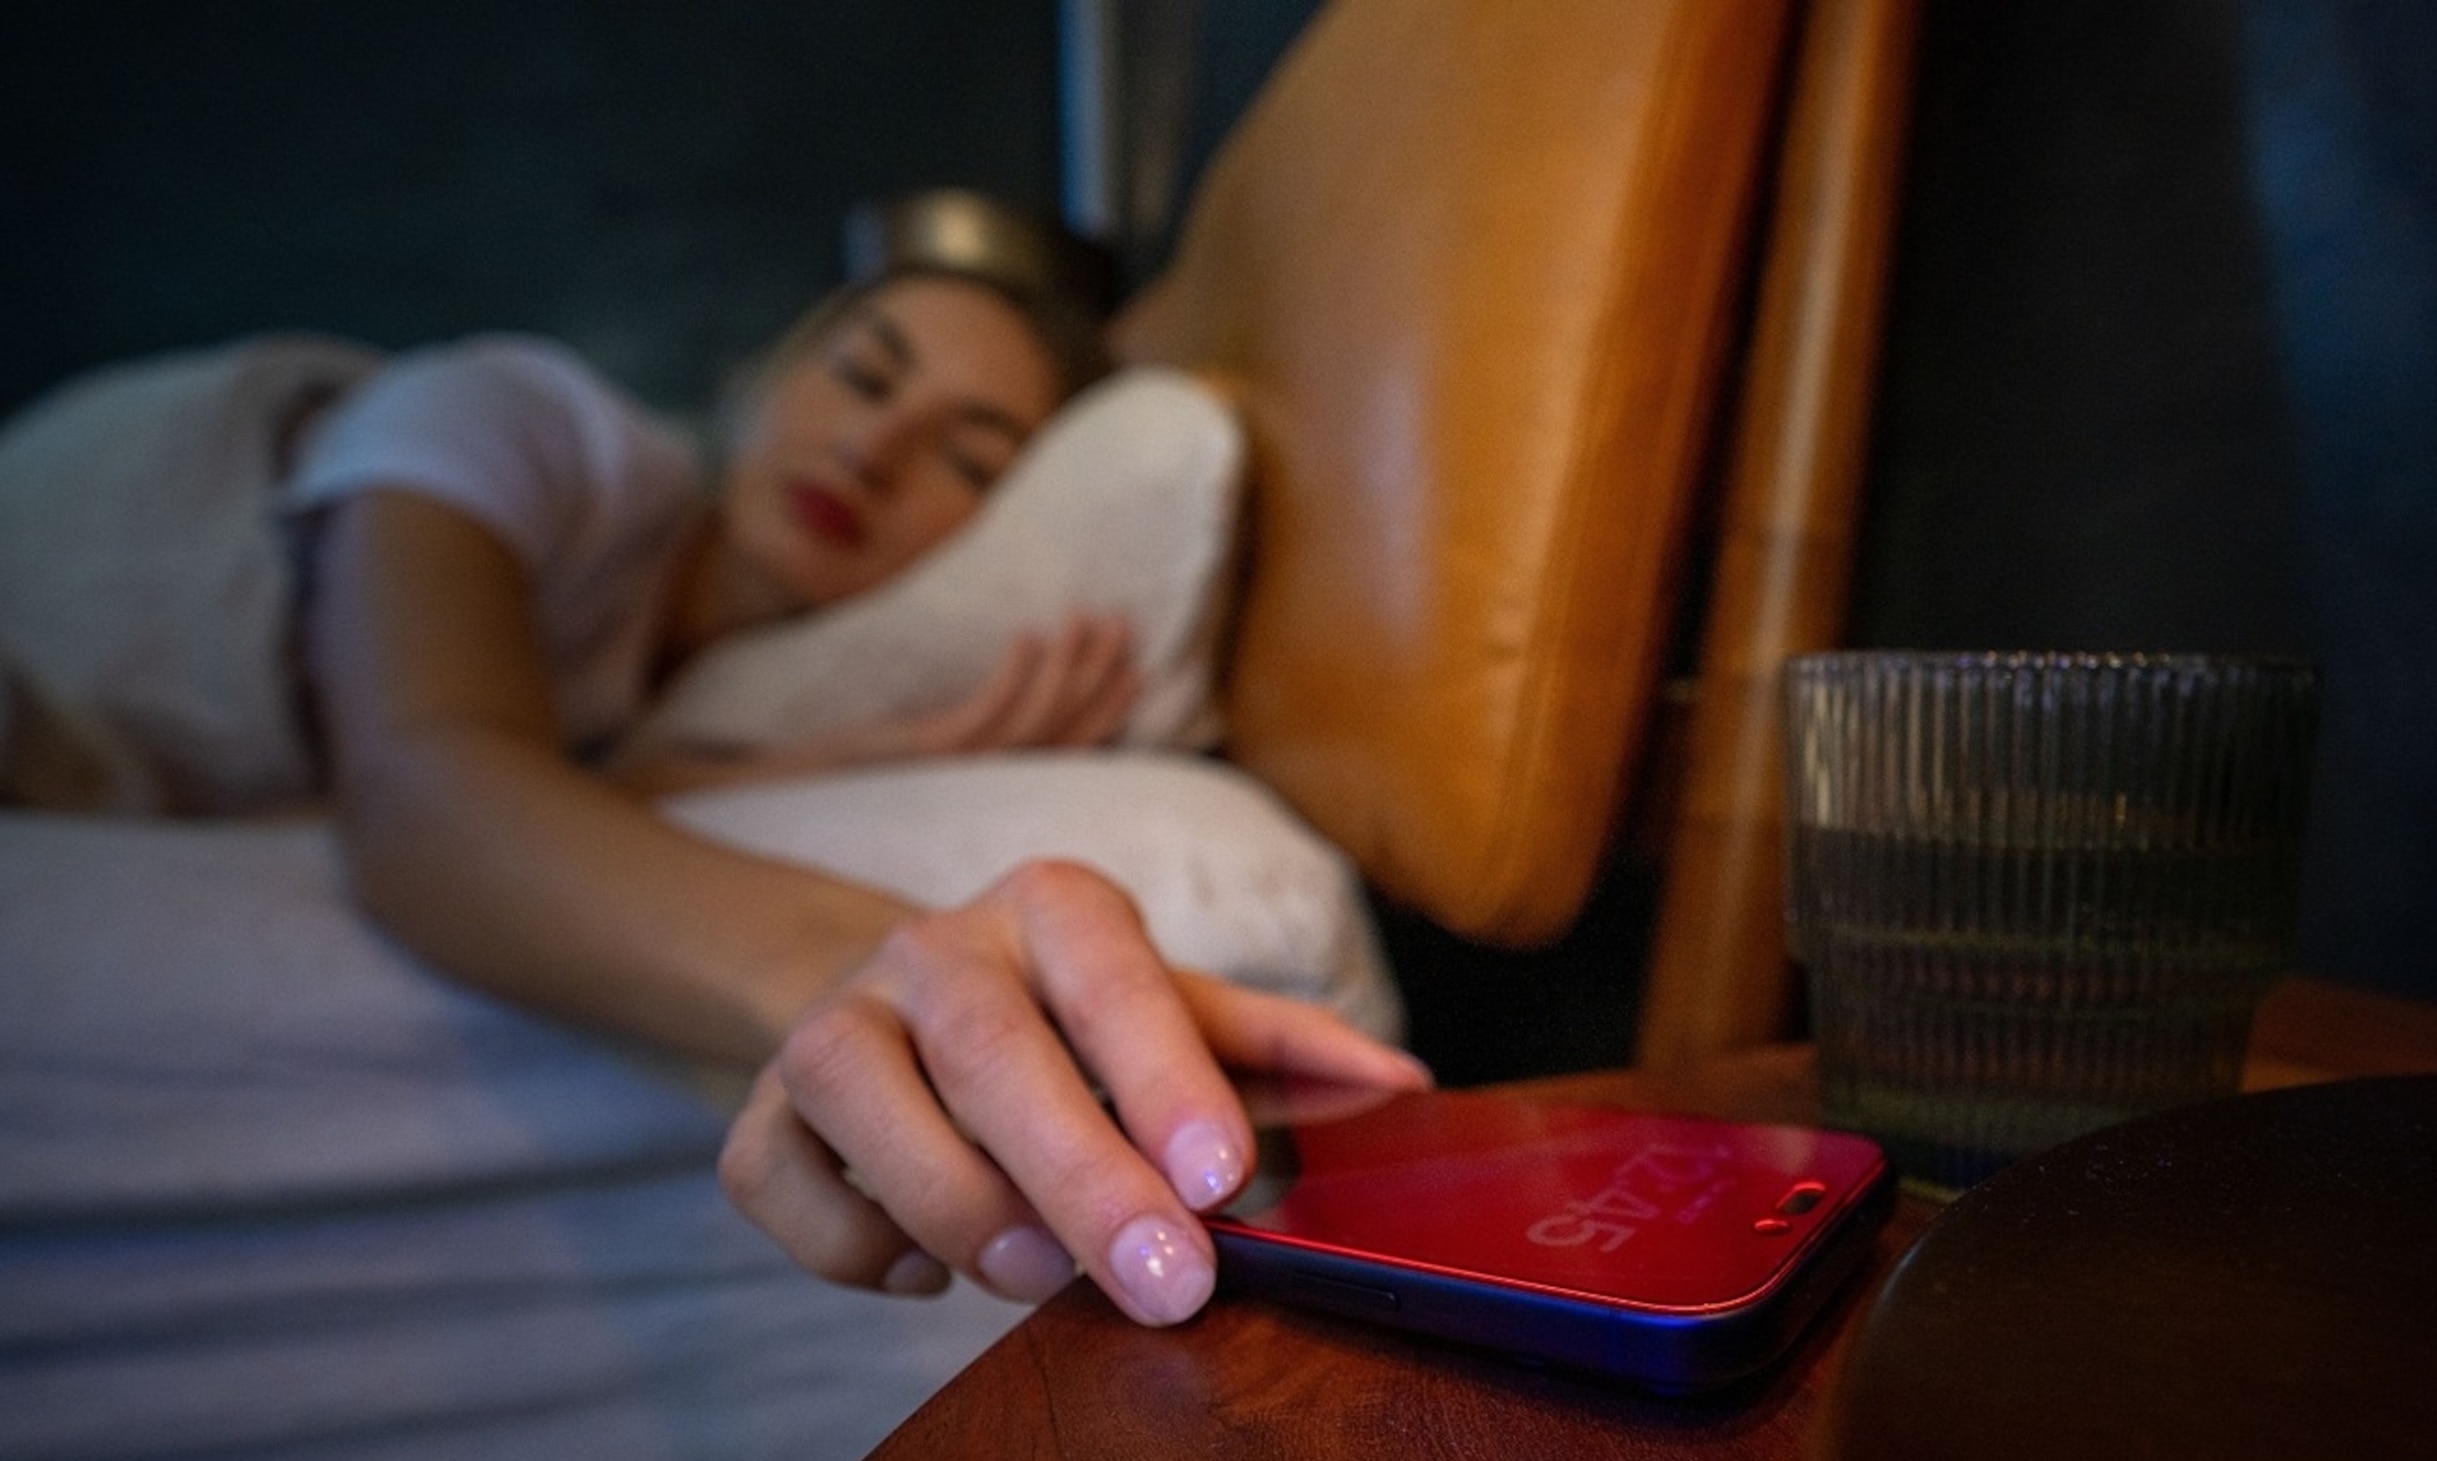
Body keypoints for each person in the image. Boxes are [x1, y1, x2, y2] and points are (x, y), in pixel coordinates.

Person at [0, 194, 1428, 1328]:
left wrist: (871, 750)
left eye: (968, 460)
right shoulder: (515, 425)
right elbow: (423, 789)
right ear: (759, 380)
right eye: (862, 375)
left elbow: (497, 779)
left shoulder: (686, 699)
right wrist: (897, 979)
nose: (873, 447)